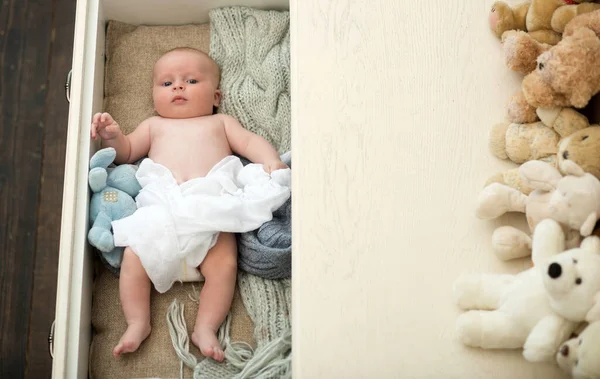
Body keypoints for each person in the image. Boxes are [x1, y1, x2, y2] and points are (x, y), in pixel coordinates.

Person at [90, 47, 289, 362]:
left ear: (216, 96)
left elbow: (249, 143)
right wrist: (113, 135)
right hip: (162, 210)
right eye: (167, 83)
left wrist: (272, 161)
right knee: (133, 258)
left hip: (209, 210)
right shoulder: (154, 126)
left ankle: (205, 327)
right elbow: (127, 152)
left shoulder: (222, 122)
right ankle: (137, 322)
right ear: (154, 95)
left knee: (224, 265)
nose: (178, 87)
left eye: (191, 80)